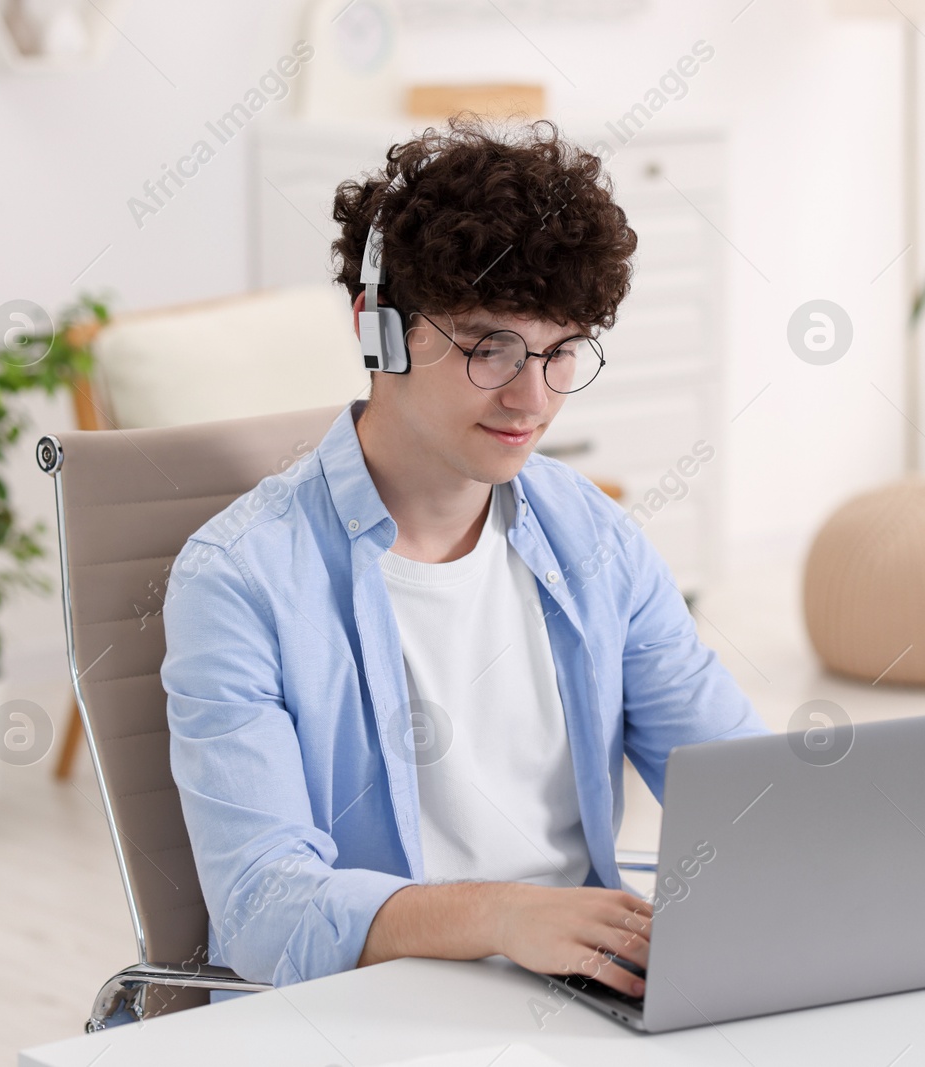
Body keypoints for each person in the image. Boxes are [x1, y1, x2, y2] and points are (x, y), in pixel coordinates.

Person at [160, 115, 767, 1009]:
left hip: (579, 995)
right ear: (380, 332)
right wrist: (504, 917)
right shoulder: (241, 578)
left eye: (561, 354)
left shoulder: (592, 539)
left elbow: (739, 784)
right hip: (363, 1012)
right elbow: (262, 910)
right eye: (490, 349)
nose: (532, 398)